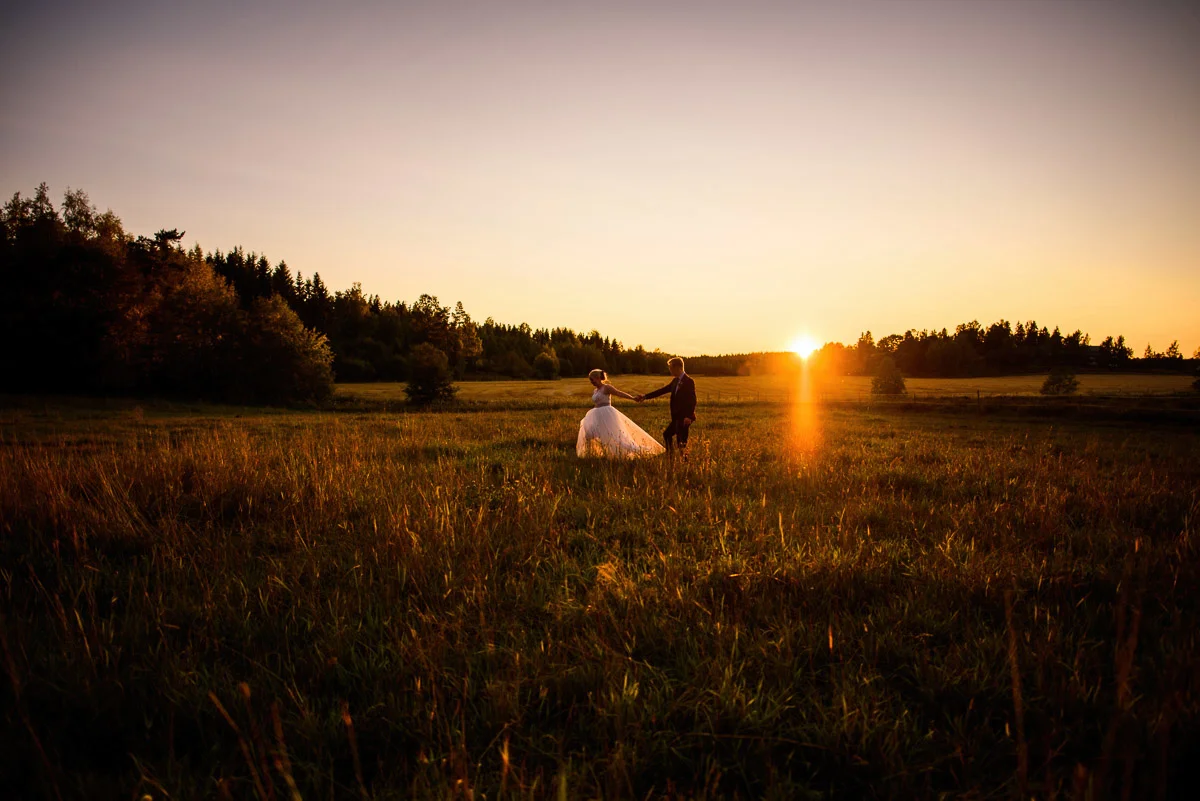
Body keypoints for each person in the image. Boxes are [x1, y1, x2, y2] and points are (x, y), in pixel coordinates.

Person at [576, 369, 666, 459]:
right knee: (589, 433)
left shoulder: (606, 387)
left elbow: (619, 393)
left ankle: (636, 451)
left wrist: (633, 398)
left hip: (607, 414)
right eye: (590, 380)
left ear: (598, 378)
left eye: (592, 380)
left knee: (612, 435)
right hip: (596, 414)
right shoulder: (595, 391)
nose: (591, 382)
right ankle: (590, 454)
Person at [635, 357, 696, 457]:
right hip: (676, 417)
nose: (670, 371)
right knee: (667, 435)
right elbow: (662, 391)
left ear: (678, 367)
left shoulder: (689, 381)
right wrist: (645, 396)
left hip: (684, 418)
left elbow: (692, 400)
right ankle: (670, 456)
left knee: (681, 443)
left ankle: (685, 465)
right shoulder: (675, 381)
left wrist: (688, 416)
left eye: (671, 368)